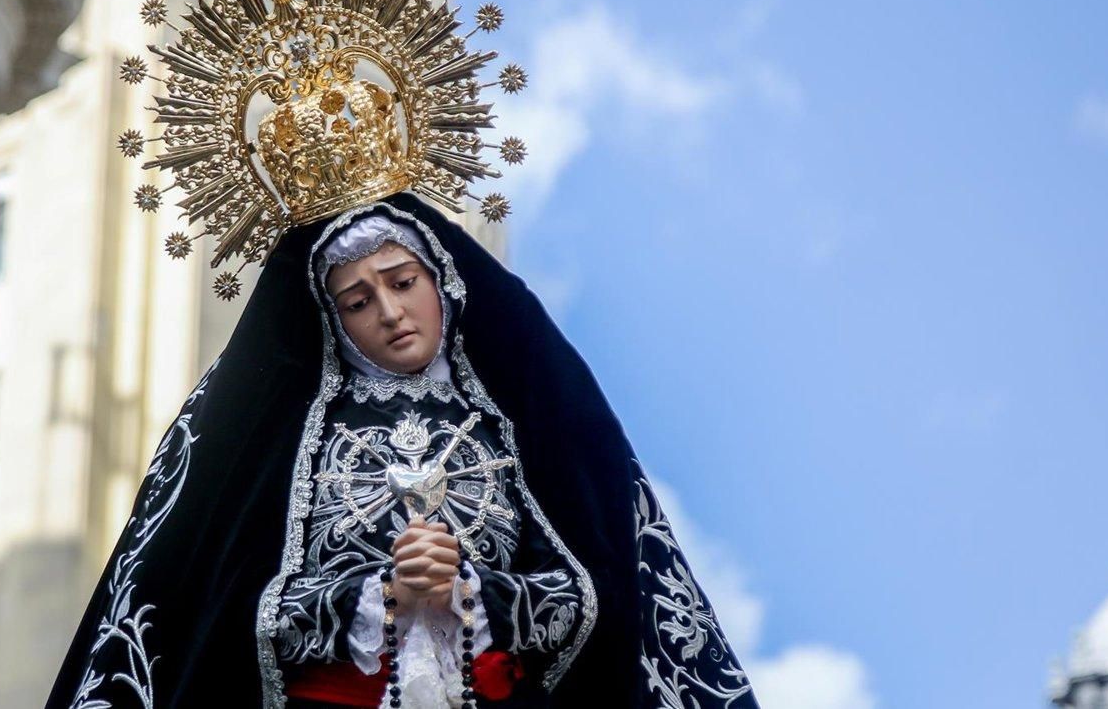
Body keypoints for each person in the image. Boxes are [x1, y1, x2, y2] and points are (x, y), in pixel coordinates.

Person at [46, 195, 758, 708]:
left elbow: (588, 590)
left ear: (441, 282)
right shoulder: (294, 444)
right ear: (334, 322)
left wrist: (470, 592)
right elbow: (226, 613)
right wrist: (378, 596)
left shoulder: (520, 425)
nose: (388, 312)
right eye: (357, 300)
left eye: (401, 282)